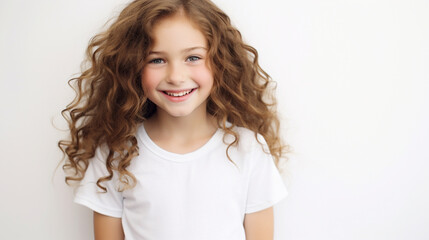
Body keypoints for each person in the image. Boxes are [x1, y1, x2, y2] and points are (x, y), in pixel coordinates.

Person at [59, 0, 289, 239]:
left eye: (193, 57)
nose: (176, 77)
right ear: (132, 66)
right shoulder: (114, 154)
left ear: (220, 61)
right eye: (157, 60)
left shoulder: (249, 148)